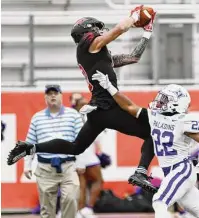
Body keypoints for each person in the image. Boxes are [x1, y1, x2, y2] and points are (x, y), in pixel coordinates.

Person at [7, 6, 157, 193]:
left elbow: (134, 57)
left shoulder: (98, 53)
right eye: (97, 29)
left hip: (98, 110)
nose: (100, 31)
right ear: (88, 31)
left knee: (76, 147)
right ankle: (141, 172)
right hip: (108, 107)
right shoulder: (89, 45)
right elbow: (117, 30)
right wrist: (134, 17)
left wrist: (147, 32)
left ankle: (29, 148)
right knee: (153, 134)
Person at [91, 71, 199, 218]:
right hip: (172, 172)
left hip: (181, 169)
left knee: (159, 201)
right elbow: (129, 106)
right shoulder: (154, 116)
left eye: (166, 99)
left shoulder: (182, 121)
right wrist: (110, 87)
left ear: (177, 103)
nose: (160, 101)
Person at [23, 85, 81, 218]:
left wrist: (81, 162)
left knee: (71, 199)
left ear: (61, 95)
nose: (52, 96)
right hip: (45, 168)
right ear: (45, 97)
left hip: (68, 166)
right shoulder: (37, 118)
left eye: (56, 93)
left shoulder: (73, 115)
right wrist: (27, 165)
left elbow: (82, 141)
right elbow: (29, 144)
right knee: (47, 209)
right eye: (49, 94)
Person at [70, 93, 105, 218]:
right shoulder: (82, 117)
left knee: (82, 184)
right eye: (80, 101)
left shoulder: (74, 117)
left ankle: (80, 210)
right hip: (86, 155)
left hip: (78, 155)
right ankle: (87, 209)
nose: (83, 102)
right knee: (97, 181)